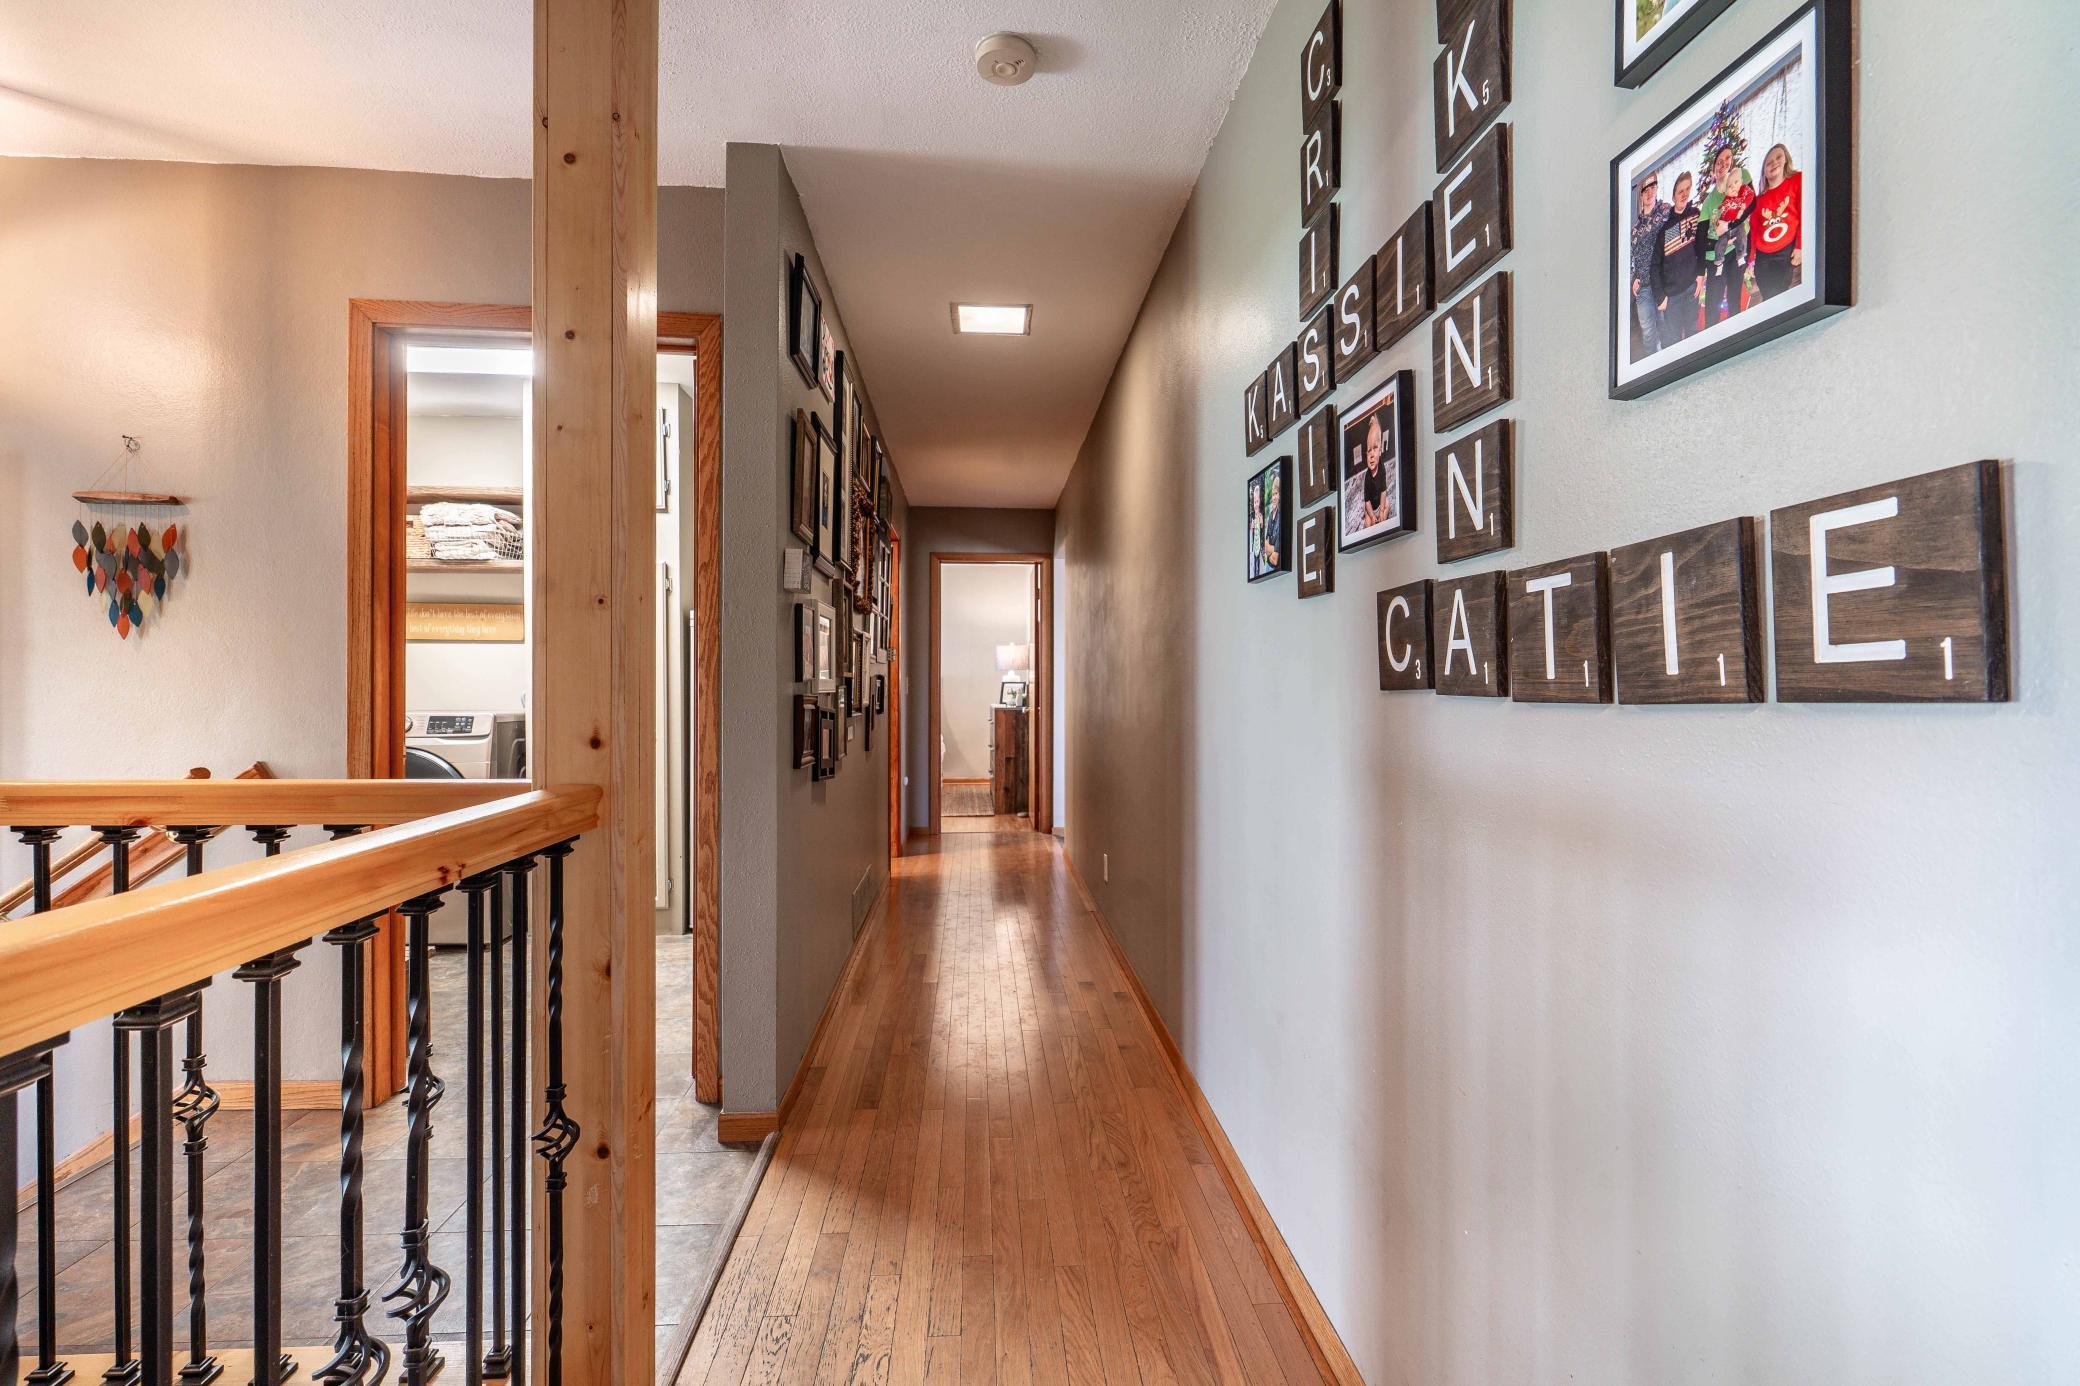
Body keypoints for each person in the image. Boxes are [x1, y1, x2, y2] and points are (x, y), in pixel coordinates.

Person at [1724, 142, 1802, 301]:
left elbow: (1803, 213)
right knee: (1769, 299)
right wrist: (1751, 260)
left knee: (1786, 298)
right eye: (1768, 162)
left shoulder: (1796, 180)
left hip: (1786, 251)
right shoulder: (1758, 201)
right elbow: (1755, 232)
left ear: (1786, 159)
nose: (1774, 163)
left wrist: (1799, 246)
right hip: (1764, 259)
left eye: (1778, 157)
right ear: (1764, 171)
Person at [1700, 143, 1754, 325]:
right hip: (1717, 255)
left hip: (1737, 250)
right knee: (1712, 306)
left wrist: (1733, 226)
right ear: (1714, 166)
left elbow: (1752, 205)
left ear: (1732, 162)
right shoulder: (1709, 200)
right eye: (1719, 161)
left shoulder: (1742, 178)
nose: (1723, 164)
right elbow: (1702, 235)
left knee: (1734, 299)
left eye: (1727, 159)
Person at [1651, 170, 1707, 345]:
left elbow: (1702, 246)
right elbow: (1655, 266)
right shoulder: (1665, 231)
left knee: (1692, 331)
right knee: (1672, 339)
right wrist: (1661, 296)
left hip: (1691, 289)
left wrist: (1700, 274)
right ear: (1674, 196)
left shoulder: (1695, 216)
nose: (1684, 194)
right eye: (1680, 191)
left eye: (1687, 190)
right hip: (1672, 296)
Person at [1629, 174, 1672, 356]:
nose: (1649, 193)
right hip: (1643, 285)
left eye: (1652, 188)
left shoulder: (1665, 211)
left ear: (1656, 188)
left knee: (1665, 325)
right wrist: (1634, 278)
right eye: (1645, 190)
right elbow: (1632, 255)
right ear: (1641, 195)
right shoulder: (1636, 227)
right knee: (1648, 332)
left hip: (1662, 281)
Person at [1358, 413, 1395, 530]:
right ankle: (1372, 519)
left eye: (1375, 448)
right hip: (1370, 507)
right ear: (1366, 455)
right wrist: (1373, 516)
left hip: (1379, 502)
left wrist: (1382, 509)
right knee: (1368, 524)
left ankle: (1383, 515)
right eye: (1369, 451)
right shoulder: (1367, 477)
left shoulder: (1382, 469)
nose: (1372, 455)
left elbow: (1383, 491)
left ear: (1380, 451)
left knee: (1386, 509)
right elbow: (1367, 501)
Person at [1262, 472, 1284, 570]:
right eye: (1273, 494)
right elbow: (1265, 547)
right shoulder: (1272, 515)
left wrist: (1271, 550)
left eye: (1276, 493)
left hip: (1275, 569)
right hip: (1268, 567)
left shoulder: (1282, 518)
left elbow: (1275, 559)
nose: (1273, 498)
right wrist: (1272, 549)